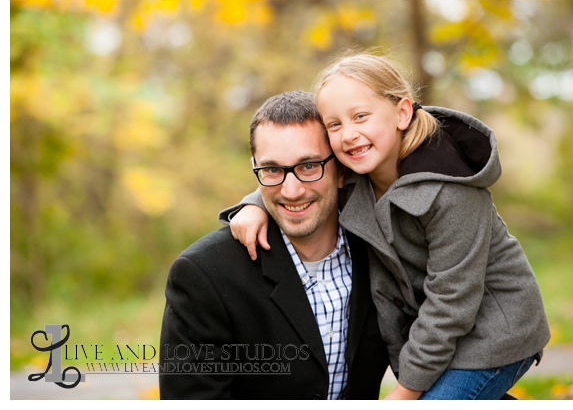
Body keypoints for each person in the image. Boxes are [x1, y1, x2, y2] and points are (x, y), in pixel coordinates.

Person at [223, 53, 550, 399]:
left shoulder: (452, 191)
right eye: (334, 125)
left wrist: (405, 392)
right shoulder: (356, 176)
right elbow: (297, 175)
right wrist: (255, 204)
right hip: (441, 335)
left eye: (360, 116)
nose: (349, 135)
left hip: (494, 335)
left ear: (402, 112)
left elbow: (451, 304)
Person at [159, 91, 388, 399]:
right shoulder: (203, 276)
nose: (291, 191)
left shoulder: (380, 251)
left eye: (308, 166)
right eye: (272, 170)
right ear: (256, 169)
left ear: (341, 169)